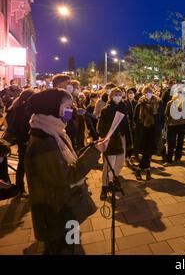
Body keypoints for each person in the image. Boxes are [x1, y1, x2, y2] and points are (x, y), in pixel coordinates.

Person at [25, 89, 108, 255]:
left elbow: (66, 163)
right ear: (53, 107)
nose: (72, 110)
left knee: (71, 244)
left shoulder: (53, 132)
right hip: (58, 211)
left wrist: (91, 149)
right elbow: (66, 176)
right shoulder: (44, 141)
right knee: (63, 248)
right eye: (68, 106)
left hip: (64, 207)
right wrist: (94, 153)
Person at [97, 88, 132, 200]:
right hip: (111, 140)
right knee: (109, 165)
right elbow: (100, 127)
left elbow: (126, 125)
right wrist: (106, 137)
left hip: (121, 138)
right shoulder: (106, 109)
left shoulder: (123, 107)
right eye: (115, 94)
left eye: (119, 94)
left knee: (120, 162)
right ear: (111, 96)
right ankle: (104, 186)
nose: (118, 96)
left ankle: (113, 181)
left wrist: (129, 139)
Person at [8, 88, 35, 197]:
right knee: (23, 164)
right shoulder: (22, 108)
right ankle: (21, 189)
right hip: (24, 140)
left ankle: (22, 188)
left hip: (23, 139)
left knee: (23, 164)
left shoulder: (18, 106)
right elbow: (20, 125)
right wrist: (25, 140)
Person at [134, 85, 161, 180]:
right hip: (143, 131)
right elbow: (135, 117)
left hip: (154, 130)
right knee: (146, 151)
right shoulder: (140, 103)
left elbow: (161, 116)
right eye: (146, 92)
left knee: (149, 151)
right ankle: (147, 170)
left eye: (149, 91)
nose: (148, 94)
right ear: (143, 93)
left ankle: (140, 169)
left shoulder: (158, 102)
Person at [165, 91, 185, 165]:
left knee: (174, 143)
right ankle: (175, 159)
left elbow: (166, 113)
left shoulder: (171, 103)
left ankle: (171, 159)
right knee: (177, 142)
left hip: (174, 125)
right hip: (178, 125)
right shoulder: (173, 103)